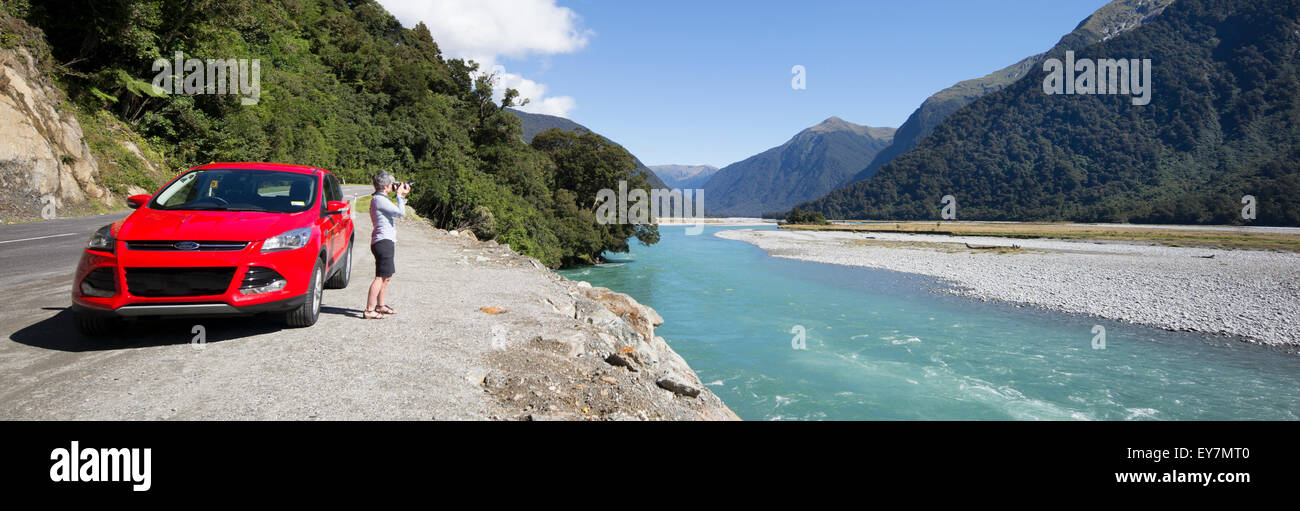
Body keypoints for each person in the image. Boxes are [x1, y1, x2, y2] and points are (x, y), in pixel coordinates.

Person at [364, 171, 410, 319]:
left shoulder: (380, 198)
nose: (393, 186)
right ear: (386, 186)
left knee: (387, 276)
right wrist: (400, 196)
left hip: (385, 241)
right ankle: (369, 310)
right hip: (383, 241)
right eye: (392, 184)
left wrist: (400, 196)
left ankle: (380, 305)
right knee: (380, 277)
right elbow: (400, 213)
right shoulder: (379, 199)